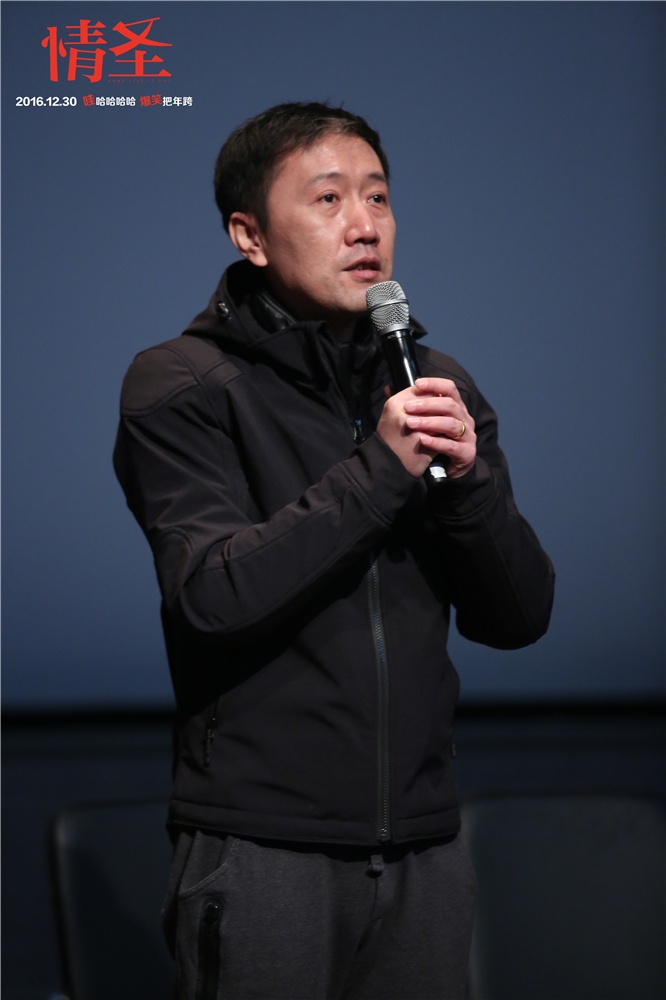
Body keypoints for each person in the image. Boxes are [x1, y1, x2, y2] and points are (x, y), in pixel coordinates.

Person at [113, 101, 555, 1000]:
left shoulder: (436, 383)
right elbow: (211, 597)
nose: (365, 226)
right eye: (328, 199)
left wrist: (468, 484)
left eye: (378, 197)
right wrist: (381, 471)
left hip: (426, 848)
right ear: (251, 235)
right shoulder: (184, 383)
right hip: (262, 846)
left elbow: (517, 617)